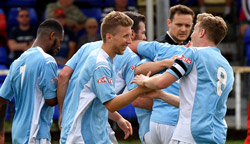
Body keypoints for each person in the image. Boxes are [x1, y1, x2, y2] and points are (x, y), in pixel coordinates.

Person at [131, 13, 234, 143]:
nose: (191, 35)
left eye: (194, 30)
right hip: (217, 134)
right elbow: (192, 104)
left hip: (191, 134)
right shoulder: (227, 66)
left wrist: (145, 81)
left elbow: (162, 82)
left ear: (202, 33)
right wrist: (161, 95)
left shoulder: (193, 53)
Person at [59, 11, 150, 144]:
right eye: (125, 36)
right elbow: (112, 104)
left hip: (94, 133)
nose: (130, 41)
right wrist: (140, 89)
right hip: (81, 137)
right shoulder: (101, 65)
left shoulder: (103, 57)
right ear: (109, 37)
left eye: (130, 36)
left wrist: (118, 119)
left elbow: (100, 100)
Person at [131, 4, 194, 144]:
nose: (183, 29)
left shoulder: (190, 50)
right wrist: (165, 63)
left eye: (187, 25)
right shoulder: (158, 48)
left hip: (176, 123)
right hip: (156, 125)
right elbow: (137, 71)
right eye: (179, 24)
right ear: (169, 23)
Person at [0, 19, 64, 144]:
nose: (59, 47)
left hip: (18, 133)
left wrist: (1, 131)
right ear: (52, 36)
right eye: (59, 41)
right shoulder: (47, 61)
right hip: (36, 134)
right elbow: (51, 101)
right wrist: (65, 86)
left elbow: (2, 99)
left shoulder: (17, 62)